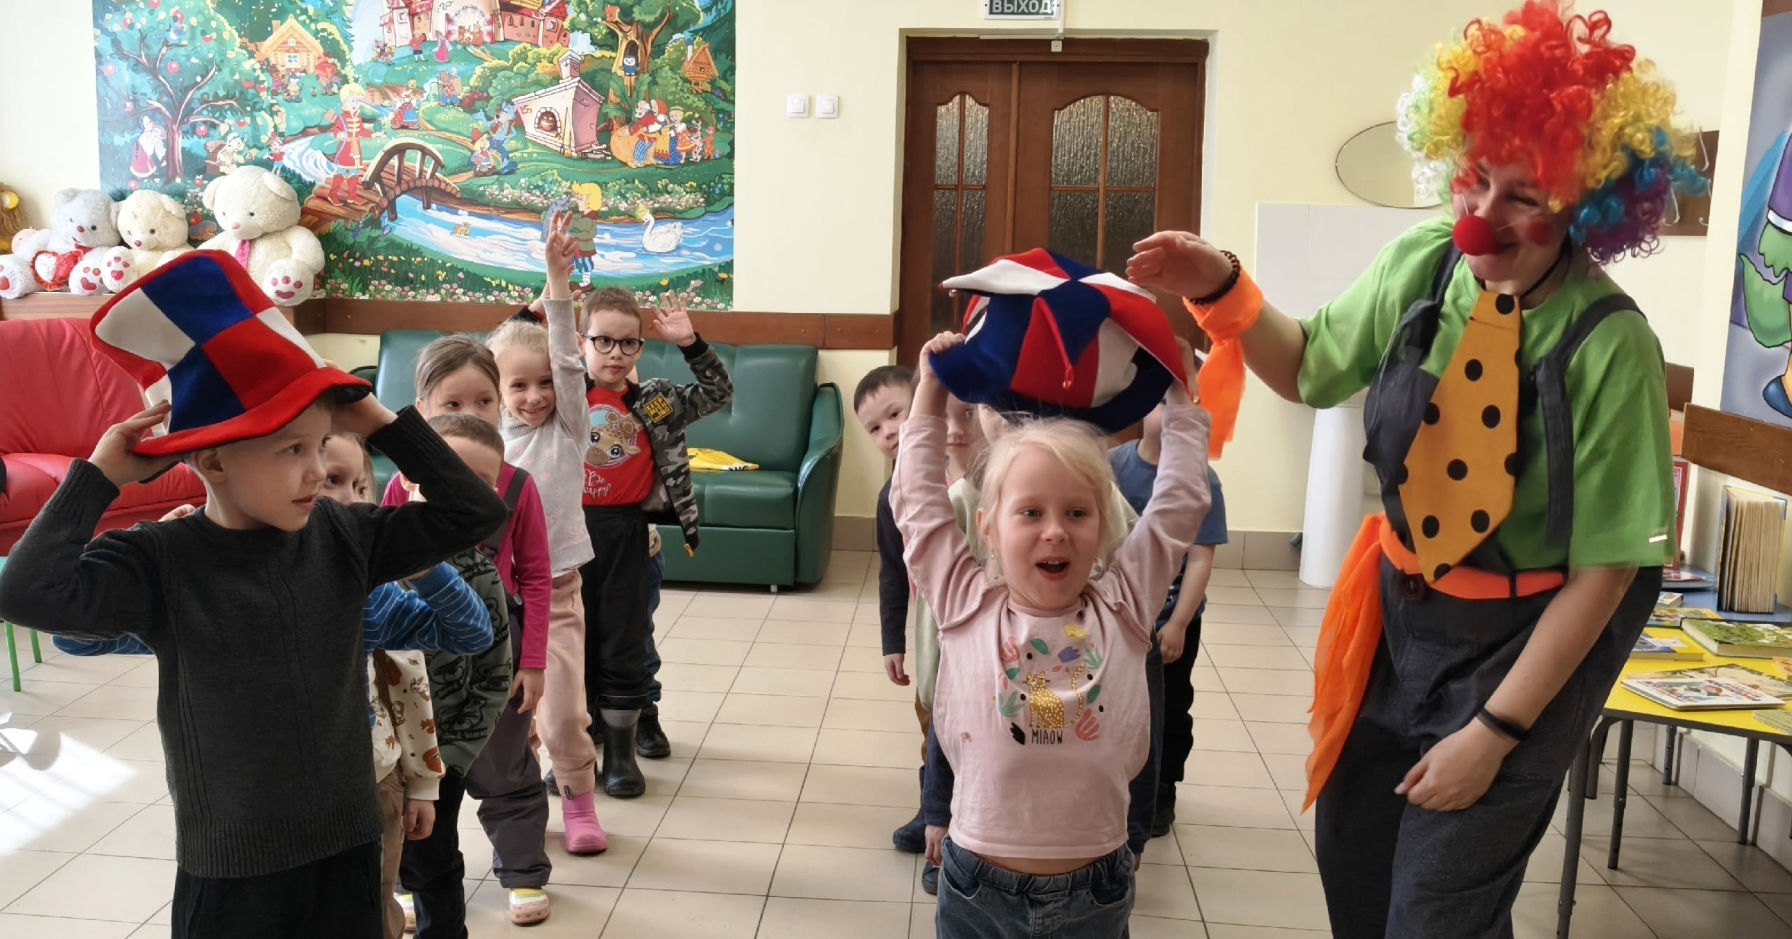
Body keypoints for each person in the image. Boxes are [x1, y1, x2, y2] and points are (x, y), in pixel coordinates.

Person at [1125, 4, 1701, 935]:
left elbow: (1607, 573)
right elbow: (1309, 368)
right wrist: (1221, 286)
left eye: (1524, 196)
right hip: (1399, 624)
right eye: (1475, 179)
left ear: (1585, 202)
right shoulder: (1423, 263)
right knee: (1355, 867)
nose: (1483, 218)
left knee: (1438, 911)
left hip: (1521, 644)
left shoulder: (1610, 342)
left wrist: (1496, 733)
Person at [0, 253, 508, 939]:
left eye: (322, 444)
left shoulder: (344, 535)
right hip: (233, 869)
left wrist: (380, 421)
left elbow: (474, 511)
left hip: (348, 843)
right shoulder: (162, 559)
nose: (316, 470)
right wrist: (98, 477)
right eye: (291, 450)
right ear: (213, 457)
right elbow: (26, 594)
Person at [899, 331, 1211, 937]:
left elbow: (1179, 504)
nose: (1055, 531)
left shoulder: (1125, 606)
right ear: (988, 528)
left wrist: (1179, 397)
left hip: (1095, 885)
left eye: (1077, 513)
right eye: (1030, 512)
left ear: (1104, 526)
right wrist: (930, 390)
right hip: (977, 884)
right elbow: (918, 507)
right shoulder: (966, 604)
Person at [388, 338, 558, 929]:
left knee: (505, 766)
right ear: (422, 411)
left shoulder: (516, 485)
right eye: (452, 402)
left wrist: (532, 662)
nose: (473, 413)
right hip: (413, 657)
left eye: (485, 400)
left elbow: (537, 576)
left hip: (497, 648)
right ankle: (407, 879)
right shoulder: (401, 487)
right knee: (409, 774)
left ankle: (523, 871)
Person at [576, 286, 732, 797]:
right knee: (571, 641)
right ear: (580, 343)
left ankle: (623, 753)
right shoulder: (560, 394)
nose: (615, 353)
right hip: (568, 530)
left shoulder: (655, 401)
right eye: (602, 341)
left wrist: (690, 343)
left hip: (626, 531)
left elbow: (717, 392)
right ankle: (576, 749)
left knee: (625, 640)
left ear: (640, 348)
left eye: (628, 343)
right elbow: (508, 371)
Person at [486, 213, 607, 855]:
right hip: (496, 599)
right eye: (518, 386)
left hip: (556, 592)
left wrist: (557, 285)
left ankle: (579, 801)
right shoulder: (485, 442)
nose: (535, 396)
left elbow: (564, 358)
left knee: (562, 713)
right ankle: (524, 804)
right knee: (510, 717)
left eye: (544, 385)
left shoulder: (568, 428)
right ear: (496, 390)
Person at [1108, 404, 1229, 834]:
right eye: (1161, 401)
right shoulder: (1112, 465)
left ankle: (1162, 789)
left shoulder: (1202, 479)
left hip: (1170, 621)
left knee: (1171, 708)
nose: (1173, 411)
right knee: (1118, 705)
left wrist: (1178, 623)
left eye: (1185, 403)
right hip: (1118, 618)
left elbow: (1200, 559)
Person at [852, 365, 925, 855]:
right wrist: (892, 643)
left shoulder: (968, 471)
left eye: (896, 414)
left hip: (994, 631)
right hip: (935, 634)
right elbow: (893, 573)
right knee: (933, 720)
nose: (889, 432)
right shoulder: (890, 498)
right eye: (875, 429)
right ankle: (935, 811)